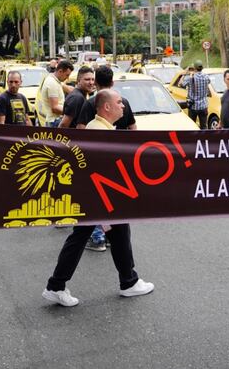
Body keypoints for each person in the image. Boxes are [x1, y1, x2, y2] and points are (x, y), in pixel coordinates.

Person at [42, 89, 154, 307]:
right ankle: (56, 286)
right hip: (99, 199)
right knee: (81, 238)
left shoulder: (102, 128)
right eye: (119, 102)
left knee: (117, 232)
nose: (124, 106)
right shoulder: (98, 131)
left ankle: (128, 281)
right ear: (107, 107)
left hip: (102, 198)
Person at [74, 65, 135, 250]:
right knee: (103, 216)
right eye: (119, 105)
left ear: (96, 82)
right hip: (113, 174)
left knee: (104, 218)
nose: (122, 106)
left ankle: (102, 240)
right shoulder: (109, 109)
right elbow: (134, 131)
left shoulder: (91, 103)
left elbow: (80, 134)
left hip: (106, 176)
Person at [37, 59, 73, 127]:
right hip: (54, 121)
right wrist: (71, 112)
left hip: (55, 120)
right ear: (60, 71)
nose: (67, 78)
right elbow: (55, 108)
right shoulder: (52, 83)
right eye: (67, 75)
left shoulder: (55, 79)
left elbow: (68, 89)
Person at [180, 60, 211, 129]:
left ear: (194, 68)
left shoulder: (191, 78)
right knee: (204, 127)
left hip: (193, 107)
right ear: (202, 67)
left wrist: (185, 73)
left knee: (192, 127)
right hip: (203, 106)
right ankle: (204, 139)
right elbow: (208, 81)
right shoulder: (206, 77)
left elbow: (181, 84)